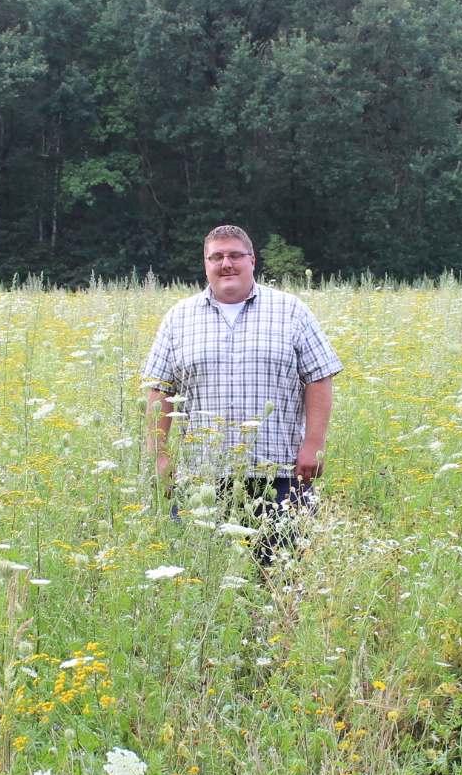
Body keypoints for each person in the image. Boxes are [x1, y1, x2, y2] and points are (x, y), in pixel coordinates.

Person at [142, 225, 343, 567]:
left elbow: (319, 379)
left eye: (235, 255)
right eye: (216, 257)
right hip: (201, 478)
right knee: (200, 580)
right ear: (206, 264)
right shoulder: (178, 318)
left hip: (279, 472)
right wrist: (158, 455)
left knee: (281, 578)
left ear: (252, 260)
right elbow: (160, 389)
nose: (226, 264)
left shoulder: (291, 310)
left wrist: (314, 444)